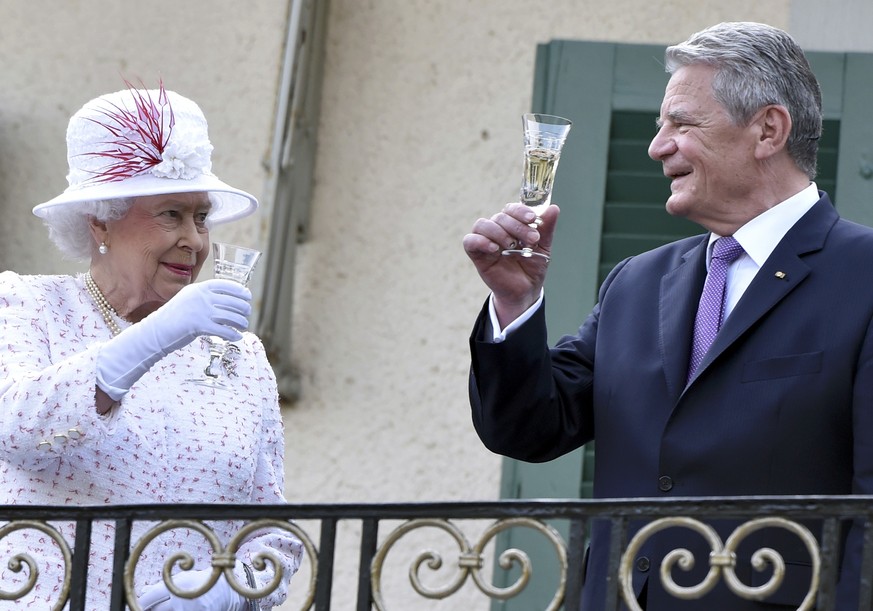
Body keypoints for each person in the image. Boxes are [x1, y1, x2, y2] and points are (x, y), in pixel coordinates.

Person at [464, 21, 873, 610]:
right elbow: (527, 429)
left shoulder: (863, 276)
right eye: (661, 126)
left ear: (767, 129)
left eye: (681, 124)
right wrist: (515, 305)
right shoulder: (636, 282)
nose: (657, 146)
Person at [0, 81, 303, 609]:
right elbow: (19, 426)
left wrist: (231, 591)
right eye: (171, 214)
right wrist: (157, 334)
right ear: (101, 221)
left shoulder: (240, 353)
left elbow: (271, 529)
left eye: (201, 216)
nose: (196, 239)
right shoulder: (26, 305)